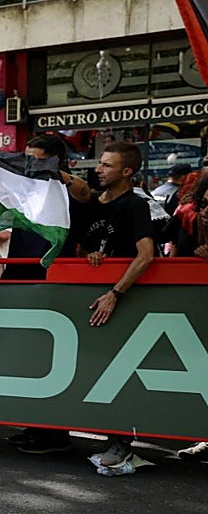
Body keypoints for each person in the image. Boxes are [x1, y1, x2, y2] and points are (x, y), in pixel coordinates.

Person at [78, 141, 157, 476]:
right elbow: (82, 247)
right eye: (100, 163)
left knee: (123, 370)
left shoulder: (136, 204)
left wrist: (116, 292)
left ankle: (121, 442)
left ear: (127, 171)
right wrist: (90, 257)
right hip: (93, 298)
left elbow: (147, 255)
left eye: (107, 165)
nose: (99, 169)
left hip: (125, 301)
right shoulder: (94, 203)